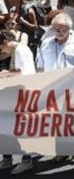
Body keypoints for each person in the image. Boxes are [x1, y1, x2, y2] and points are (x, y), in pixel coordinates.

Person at [0, 30, 37, 174]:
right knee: (9, 127)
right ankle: (8, 158)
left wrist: (6, 74)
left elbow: (25, 74)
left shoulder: (21, 50)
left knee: (21, 129)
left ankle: (26, 160)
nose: (2, 51)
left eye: (1, 48)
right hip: (16, 94)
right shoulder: (17, 50)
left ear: (5, 42)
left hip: (23, 96)